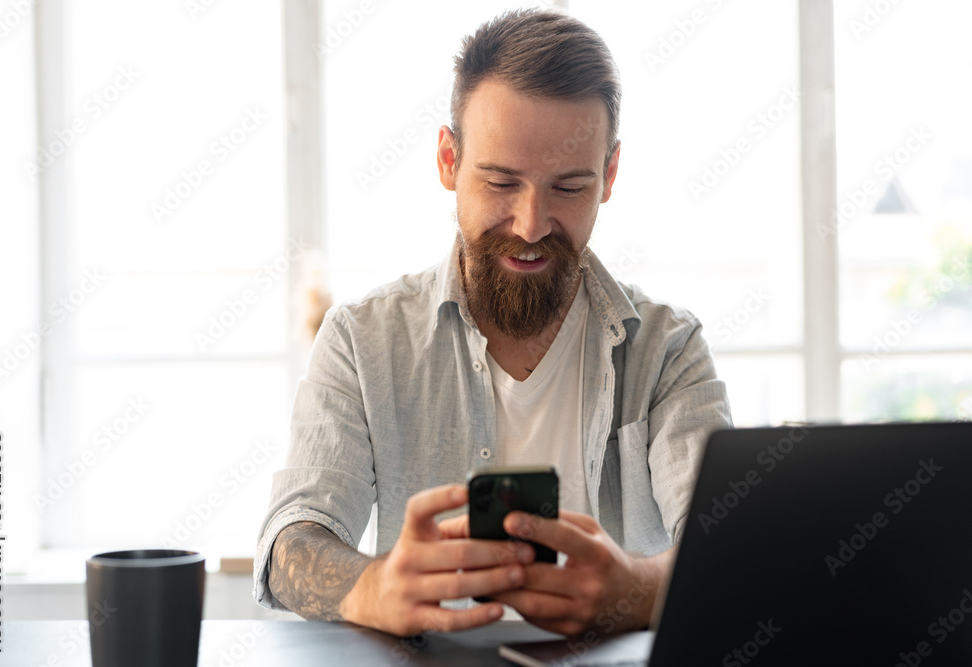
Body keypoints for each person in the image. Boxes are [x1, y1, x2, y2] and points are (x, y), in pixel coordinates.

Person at [253, 8, 731, 638]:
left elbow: (728, 543)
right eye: (502, 181)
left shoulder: (667, 349)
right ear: (449, 161)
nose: (531, 224)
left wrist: (636, 590)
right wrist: (372, 587)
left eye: (569, 187)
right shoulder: (361, 341)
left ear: (609, 175)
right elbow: (289, 546)